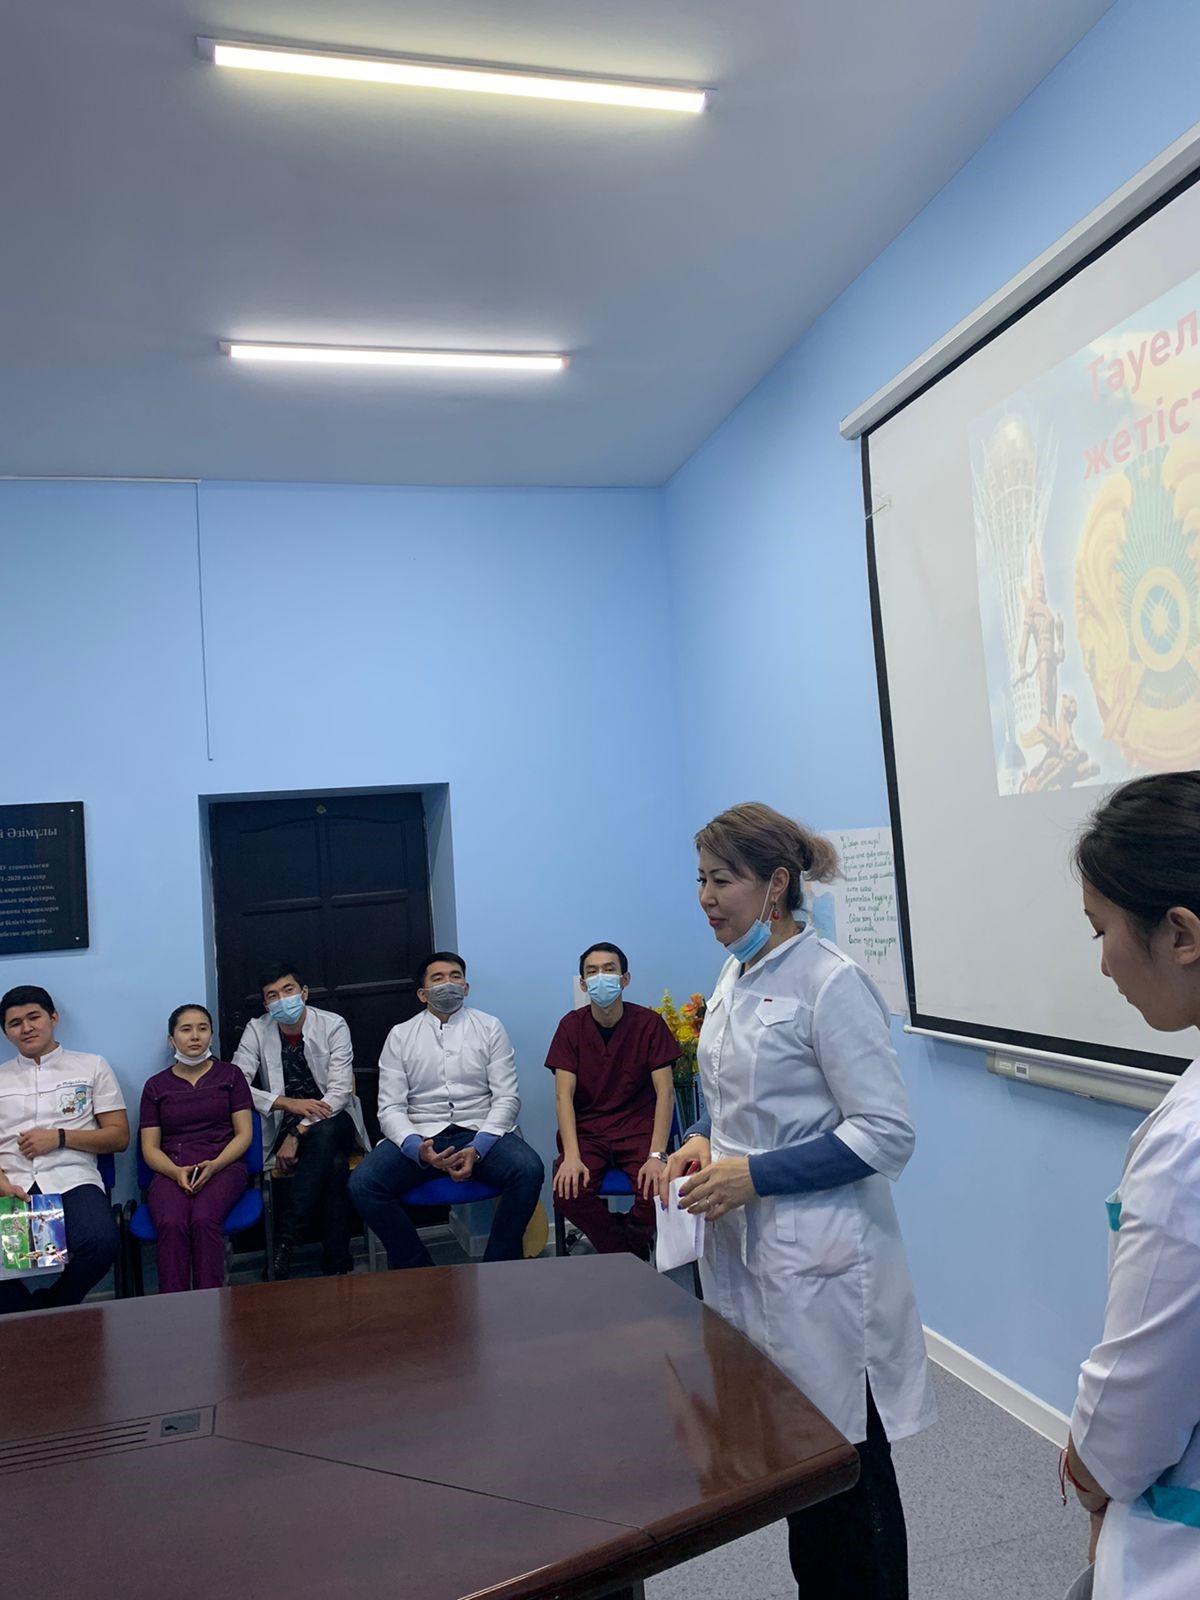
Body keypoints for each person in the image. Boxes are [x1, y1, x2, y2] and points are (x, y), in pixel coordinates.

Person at [659, 803, 935, 1600]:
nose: (706, 898)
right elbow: (736, 1097)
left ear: (775, 884)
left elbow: (886, 1133)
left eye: (723, 880)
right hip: (752, 1262)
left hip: (824, 1270)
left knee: (849, 1475)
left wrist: (755, 1175)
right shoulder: (736, 973)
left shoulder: (831, 982)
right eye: (700, 880)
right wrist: (703, 1137)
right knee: (797, 1470)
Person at [1061, 773, 1200, 1598]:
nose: (1105, 961)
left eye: (1101, 929)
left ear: (1180, 933)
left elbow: (1133, 1414)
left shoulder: (1188, 1149)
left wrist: (1089, 1474)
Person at [349, 952, 544, 1267]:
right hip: (422, 1134)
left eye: (455, 976)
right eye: (437, 978)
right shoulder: (401, 1035)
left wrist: (478, 1148)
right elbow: (390, 1107)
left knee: (529, 1169)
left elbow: (507, 1097)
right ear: (422, 993)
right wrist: (416, 1148)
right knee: (363, 1184)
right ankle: (419, 1269)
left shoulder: (490, 1027)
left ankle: (500, 1267)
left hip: (480, 1131)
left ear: (466, 987)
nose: (448, 983)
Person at [233, 961, 368, 1279]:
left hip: (334, 1119)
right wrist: (285, 1103)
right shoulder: (257, 1029)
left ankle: (286, 1240)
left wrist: (298, 1132)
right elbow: (236, 1084)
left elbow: (339, 1092)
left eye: (288, 990)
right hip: (284, 1123)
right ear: (265, 1003)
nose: (282, 999)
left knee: (325, 1134)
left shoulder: (333, 1025)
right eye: (273, 995)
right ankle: (337, 1261)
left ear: (304, 993)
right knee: (333, 1164)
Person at [0, 985, 129, 1314]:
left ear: (53, 1018)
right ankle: (29, 1316)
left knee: (101, 1243)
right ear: (6, 1032)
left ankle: (49, 1309)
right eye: (15, 1023)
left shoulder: (91, 1066)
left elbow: (119, 1136)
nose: (26, 1028)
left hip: (72, 1180)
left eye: (34, 1017)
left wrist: (59, 1137)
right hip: (12, 1185)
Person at [547, 941, 678, 1257]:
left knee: (659, 1189)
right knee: (567, 1192)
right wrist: (572, 1156)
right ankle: (628, 1251)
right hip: (589, 1132)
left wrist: (657, 1155)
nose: (601, 977)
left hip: (639, 1130)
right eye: (592, 972)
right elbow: (563, 1096)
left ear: (625, 978)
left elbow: (666, 1092)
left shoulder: (649, 1024)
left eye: (609, 970)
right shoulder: (570, 1027)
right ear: (582, 983)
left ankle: (623, 1245)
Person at [138, 1004, 254, 1292]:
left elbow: (244, 1135)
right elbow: (150, 1148)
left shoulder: (231, 1076)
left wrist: (214, 1165)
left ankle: (210, 1303)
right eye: (186, 1029)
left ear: (211, 1035)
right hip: (171, 1168)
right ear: (171, 1039)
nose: (195, 1036)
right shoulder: (155, 1087)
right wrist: (175, 1172)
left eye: (202, 1028)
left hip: (223, 1165)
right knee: (172, 1223)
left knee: (204, 1219)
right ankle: (174, 1306)